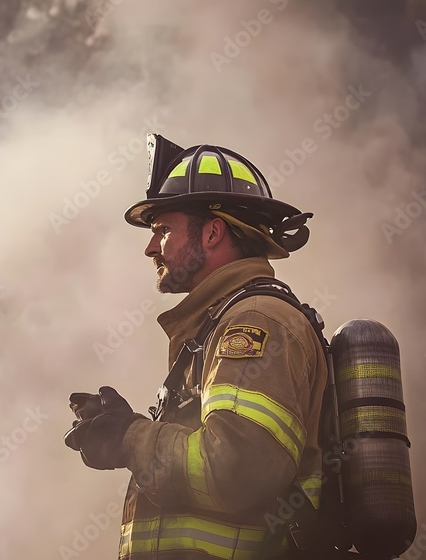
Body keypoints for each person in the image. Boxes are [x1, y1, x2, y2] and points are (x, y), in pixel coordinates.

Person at [64, 135, 328, 560]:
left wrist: (130, 437)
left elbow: (236, 469)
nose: (151, 247)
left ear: (213, 232)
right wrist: (124, 430)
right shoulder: (217, 325)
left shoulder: (255, 322)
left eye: (163, 230)